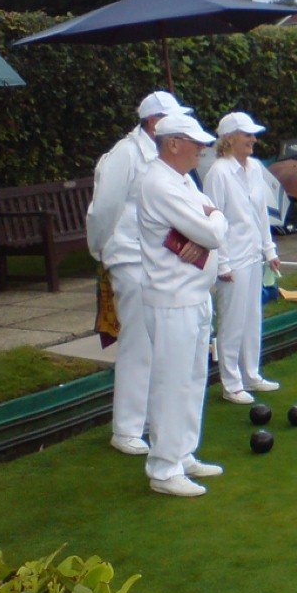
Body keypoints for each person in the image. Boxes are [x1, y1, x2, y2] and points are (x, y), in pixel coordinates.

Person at [87, 90, 191, 456]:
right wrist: (101, 251)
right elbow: (104, 209)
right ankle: (127, 429)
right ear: (153, 122)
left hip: (158, 260)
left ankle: (148, 418)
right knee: (136, 342)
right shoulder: (125, 155)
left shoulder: (163, 157)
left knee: (157, 341)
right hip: (129, 258)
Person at [137, 113, 227, 497]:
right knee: (171, 383)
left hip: (195, 294)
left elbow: (212, 221)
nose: (202, 148)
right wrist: (212, 225)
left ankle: (182, 453)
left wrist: (212, 221)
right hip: (173, 298)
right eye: (195, 142)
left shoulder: (184, 179)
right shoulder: (159, 182)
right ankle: (163, 468)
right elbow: (211, 231)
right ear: (173, 143)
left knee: (192, 380)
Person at [204, 112, 282, 405]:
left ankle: (251, 374)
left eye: (252, 134)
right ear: (229, 139)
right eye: (246, 135)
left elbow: (261, 213)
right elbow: (215, 219)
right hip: (232, 259)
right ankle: (231, 382)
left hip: (252, 256)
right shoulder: (218, 173)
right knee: (232, 322)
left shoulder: (255, 168)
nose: (252, 139)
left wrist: (269, 250)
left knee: (253, 318)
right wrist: (222, 263)